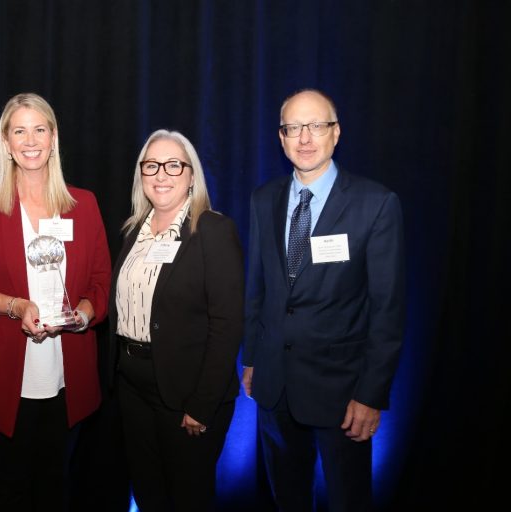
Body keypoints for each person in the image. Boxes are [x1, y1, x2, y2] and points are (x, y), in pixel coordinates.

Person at [240, 89, 405, 511]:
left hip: (343, 393)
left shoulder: (376, 204)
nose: (305, 138)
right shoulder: (263, 200)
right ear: (281, 138)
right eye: (293, 128)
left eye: (316, 126)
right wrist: (253, 359)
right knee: (288, 498)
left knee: (349, 500)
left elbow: (387, 309)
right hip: (276, 387)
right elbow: (258, 289)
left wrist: (371, 394)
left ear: (336, 133)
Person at [0, 93, 111, 511]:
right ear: (5, 142)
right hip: (5, 377)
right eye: (19, 130)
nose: (30, 139)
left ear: (53, 138)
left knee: (56, 488)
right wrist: (16, 305)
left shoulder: (83, 205)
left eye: (40, 129)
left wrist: (82, 316)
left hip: (67, 373)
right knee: (11, 489)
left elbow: (99, 284)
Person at [109, 129, 244, 511]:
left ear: (191, 174)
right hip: (132, 387)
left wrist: (203, 404)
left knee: (188, 497)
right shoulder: (133, 231)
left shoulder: (213, 230)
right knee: (148, 494)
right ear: (141, 174)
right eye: (151, 165)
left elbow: (227, 324)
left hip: (187, 393)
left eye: (173, 165)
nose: (161, 174)